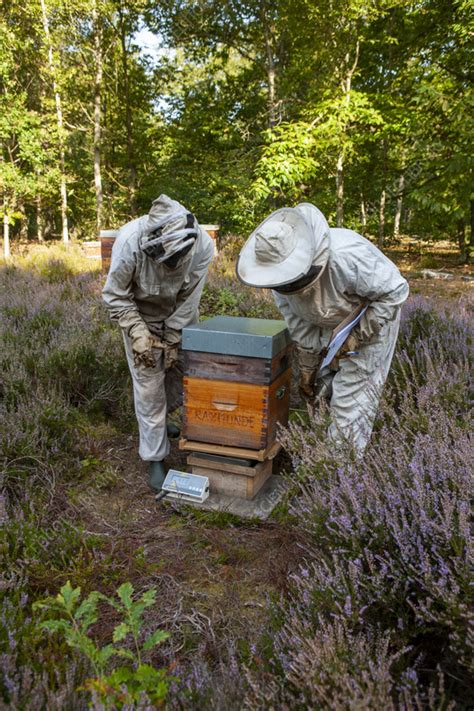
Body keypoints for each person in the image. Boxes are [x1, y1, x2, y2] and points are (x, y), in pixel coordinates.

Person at [236, 203, 409, 454]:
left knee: (352, 398)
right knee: (323, 385)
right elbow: (298, 322)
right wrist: (309, 368)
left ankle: (338, 471)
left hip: (371, 318)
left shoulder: (347, 256)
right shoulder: (274, 276)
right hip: (328, 323)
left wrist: (357, 335)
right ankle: (326, 444)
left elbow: (395, 291)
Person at [103, 194, 214, 490]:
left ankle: (162, 424)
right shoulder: (128, 243)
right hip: (140, 317)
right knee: (149, 387)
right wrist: (138, 333)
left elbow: (190, 298)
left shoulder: (203, 245)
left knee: (181, 375)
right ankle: (155, 457)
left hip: (180, 315)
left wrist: (175, 336)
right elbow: (115, 295)